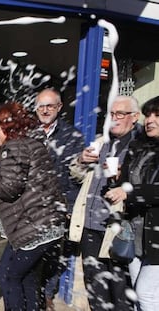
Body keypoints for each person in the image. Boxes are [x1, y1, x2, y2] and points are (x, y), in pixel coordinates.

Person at [0, 101, 65, 311]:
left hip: (33, 228)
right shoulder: (31, 143)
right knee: (27, 277)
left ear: (7, 126)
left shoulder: (14, 146)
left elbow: (8, 189)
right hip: (45, 227)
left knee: (8, 276)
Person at [69, 95, 142, 310]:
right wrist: (81, 161)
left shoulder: (140, 147)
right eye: (112, 114)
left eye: (120, 114)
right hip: (90, 227)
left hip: (117, 230)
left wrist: (124, 179)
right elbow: (77, 176)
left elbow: (144, 187)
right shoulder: (102, 142)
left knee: (120, 293)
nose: (114, 119)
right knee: (96, 290)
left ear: (134, 117)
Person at [105, 96, 159, 311]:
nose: (150, 120)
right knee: (138, 291)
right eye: (148, 115)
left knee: (146, 292)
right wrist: (118, 178)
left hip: (156, 236)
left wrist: (129, 192)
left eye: (157, 115)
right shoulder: (140, 147)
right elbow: (128, 182)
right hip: (138, 234)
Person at [34, 88, 84, 311]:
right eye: (41, 106)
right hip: (30, 205)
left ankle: (46, 296)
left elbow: (76, 176)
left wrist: (70, 206)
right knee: (30, 253)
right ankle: (31, 292)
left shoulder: (72, 137)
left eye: (50, 106)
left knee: (53, 254)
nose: (45, 110)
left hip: (57, 206)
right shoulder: (28, 133)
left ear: (59, 107)